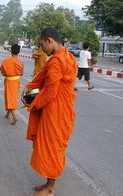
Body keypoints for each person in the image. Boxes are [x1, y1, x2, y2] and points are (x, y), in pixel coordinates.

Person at [25, 28, 77, 196]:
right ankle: (49, 183)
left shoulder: (56, 61)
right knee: (55, 146)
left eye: (42, 45)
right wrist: (30, 88)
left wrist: (34, 105)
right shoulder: (68, 56)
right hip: (65, 109)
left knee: (52, 147)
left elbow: (50, 91)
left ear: (50, 41)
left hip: (55, 111)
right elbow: (43, 79)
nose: (42, 49)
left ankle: (50, 188)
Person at [0, 44, 24, 125]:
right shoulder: (20, 62)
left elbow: (2, 71)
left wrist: (7, 74)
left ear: (11, 51)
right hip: (16, 82)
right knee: (13, 98)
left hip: (9, 82)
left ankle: (14, 117)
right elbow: (21, 73)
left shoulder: (6, 61)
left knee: (10, 99)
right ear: (19, 52)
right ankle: (8, 114)